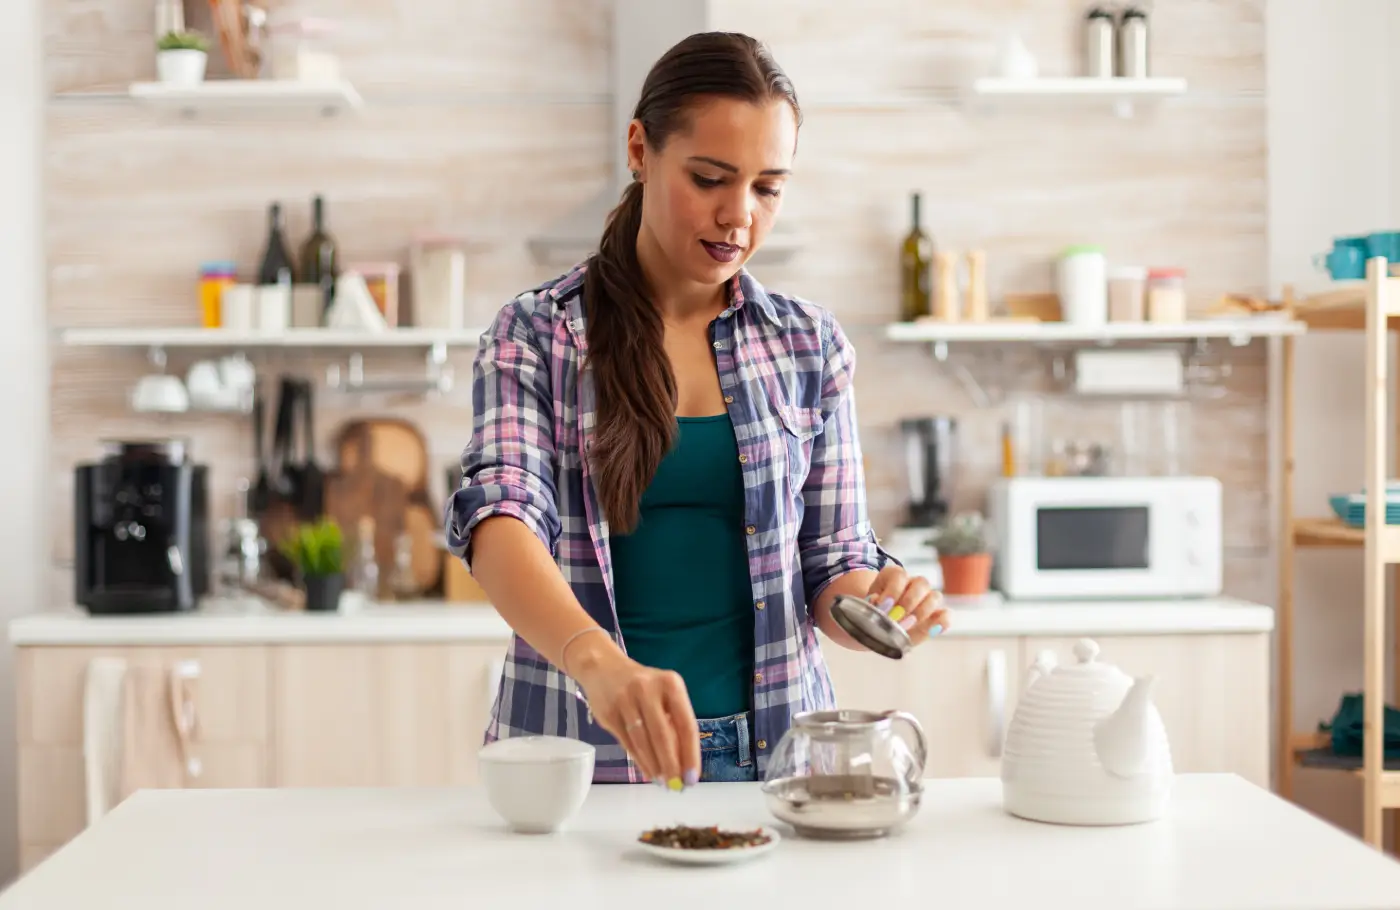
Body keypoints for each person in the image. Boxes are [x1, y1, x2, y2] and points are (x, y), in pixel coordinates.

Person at [444, 31, 951, 791]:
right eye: (710, 177)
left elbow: (832, 561)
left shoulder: (808, 345)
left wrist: (879, 600)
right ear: (640, 150)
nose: (738, 215)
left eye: (767, 187)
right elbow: (499, 521)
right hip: (581, 761)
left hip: (779, 762)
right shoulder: (539, 334)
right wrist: (601, 667)